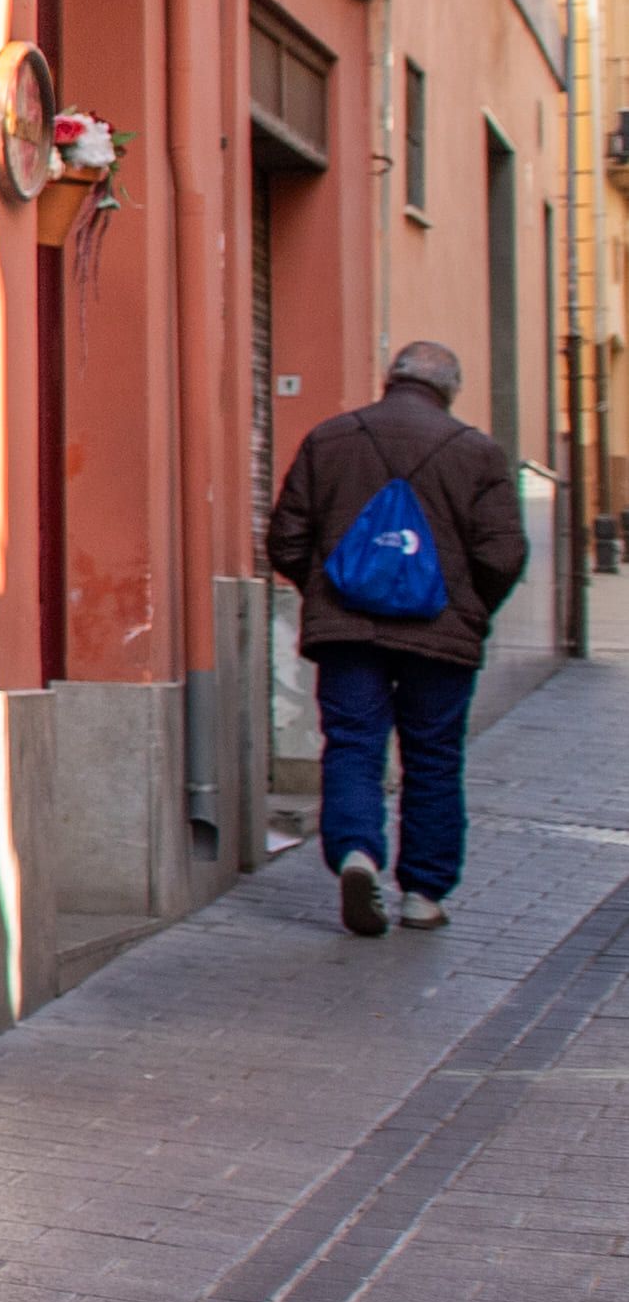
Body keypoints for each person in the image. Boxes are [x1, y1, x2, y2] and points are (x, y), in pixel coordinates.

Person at [263, 338, 528, 935]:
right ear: (449, 390)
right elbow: (504, 552)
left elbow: (286, 538)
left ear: (391, 378)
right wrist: (468, 607)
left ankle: (357, 853)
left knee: (353, 744)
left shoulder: (329, 439)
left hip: (348, 635)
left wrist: (328, 593)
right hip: (440, 639)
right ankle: (423, 894)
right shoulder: (478, 454)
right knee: (433, 757)